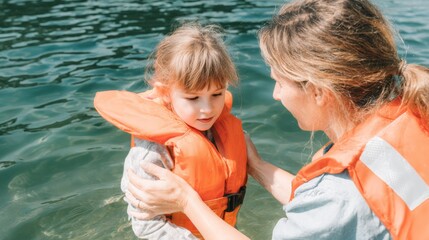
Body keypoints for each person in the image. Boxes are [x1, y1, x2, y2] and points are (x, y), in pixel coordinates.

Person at [123, 0, 429, 239]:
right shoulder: (412, 114)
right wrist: (256, 166)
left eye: (280, 82)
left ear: (320, 93)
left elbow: (336, 206)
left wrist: (187, 201)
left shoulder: (339, 195)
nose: (275, 95)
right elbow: (333, 206)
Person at [93, 22, 247, 239]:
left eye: (217, 94)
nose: (207, 109)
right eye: (193, 98)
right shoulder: (152, 152)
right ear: (166, 93)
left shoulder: (219, 128)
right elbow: (146, 224)